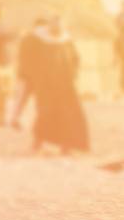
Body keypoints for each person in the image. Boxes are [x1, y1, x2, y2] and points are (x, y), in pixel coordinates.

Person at [26, 16, 91, 155]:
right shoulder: (38, 40)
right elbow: (31, 61)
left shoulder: (66, 41)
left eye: (59, 27)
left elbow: (75, 59)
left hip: (65, 85)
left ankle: (66, 146)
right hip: (46, 85)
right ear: (50, 26)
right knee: (45, 113)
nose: (57, 30)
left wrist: (73, 75)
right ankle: (38, 142)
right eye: (54, 26)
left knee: (68, 115)